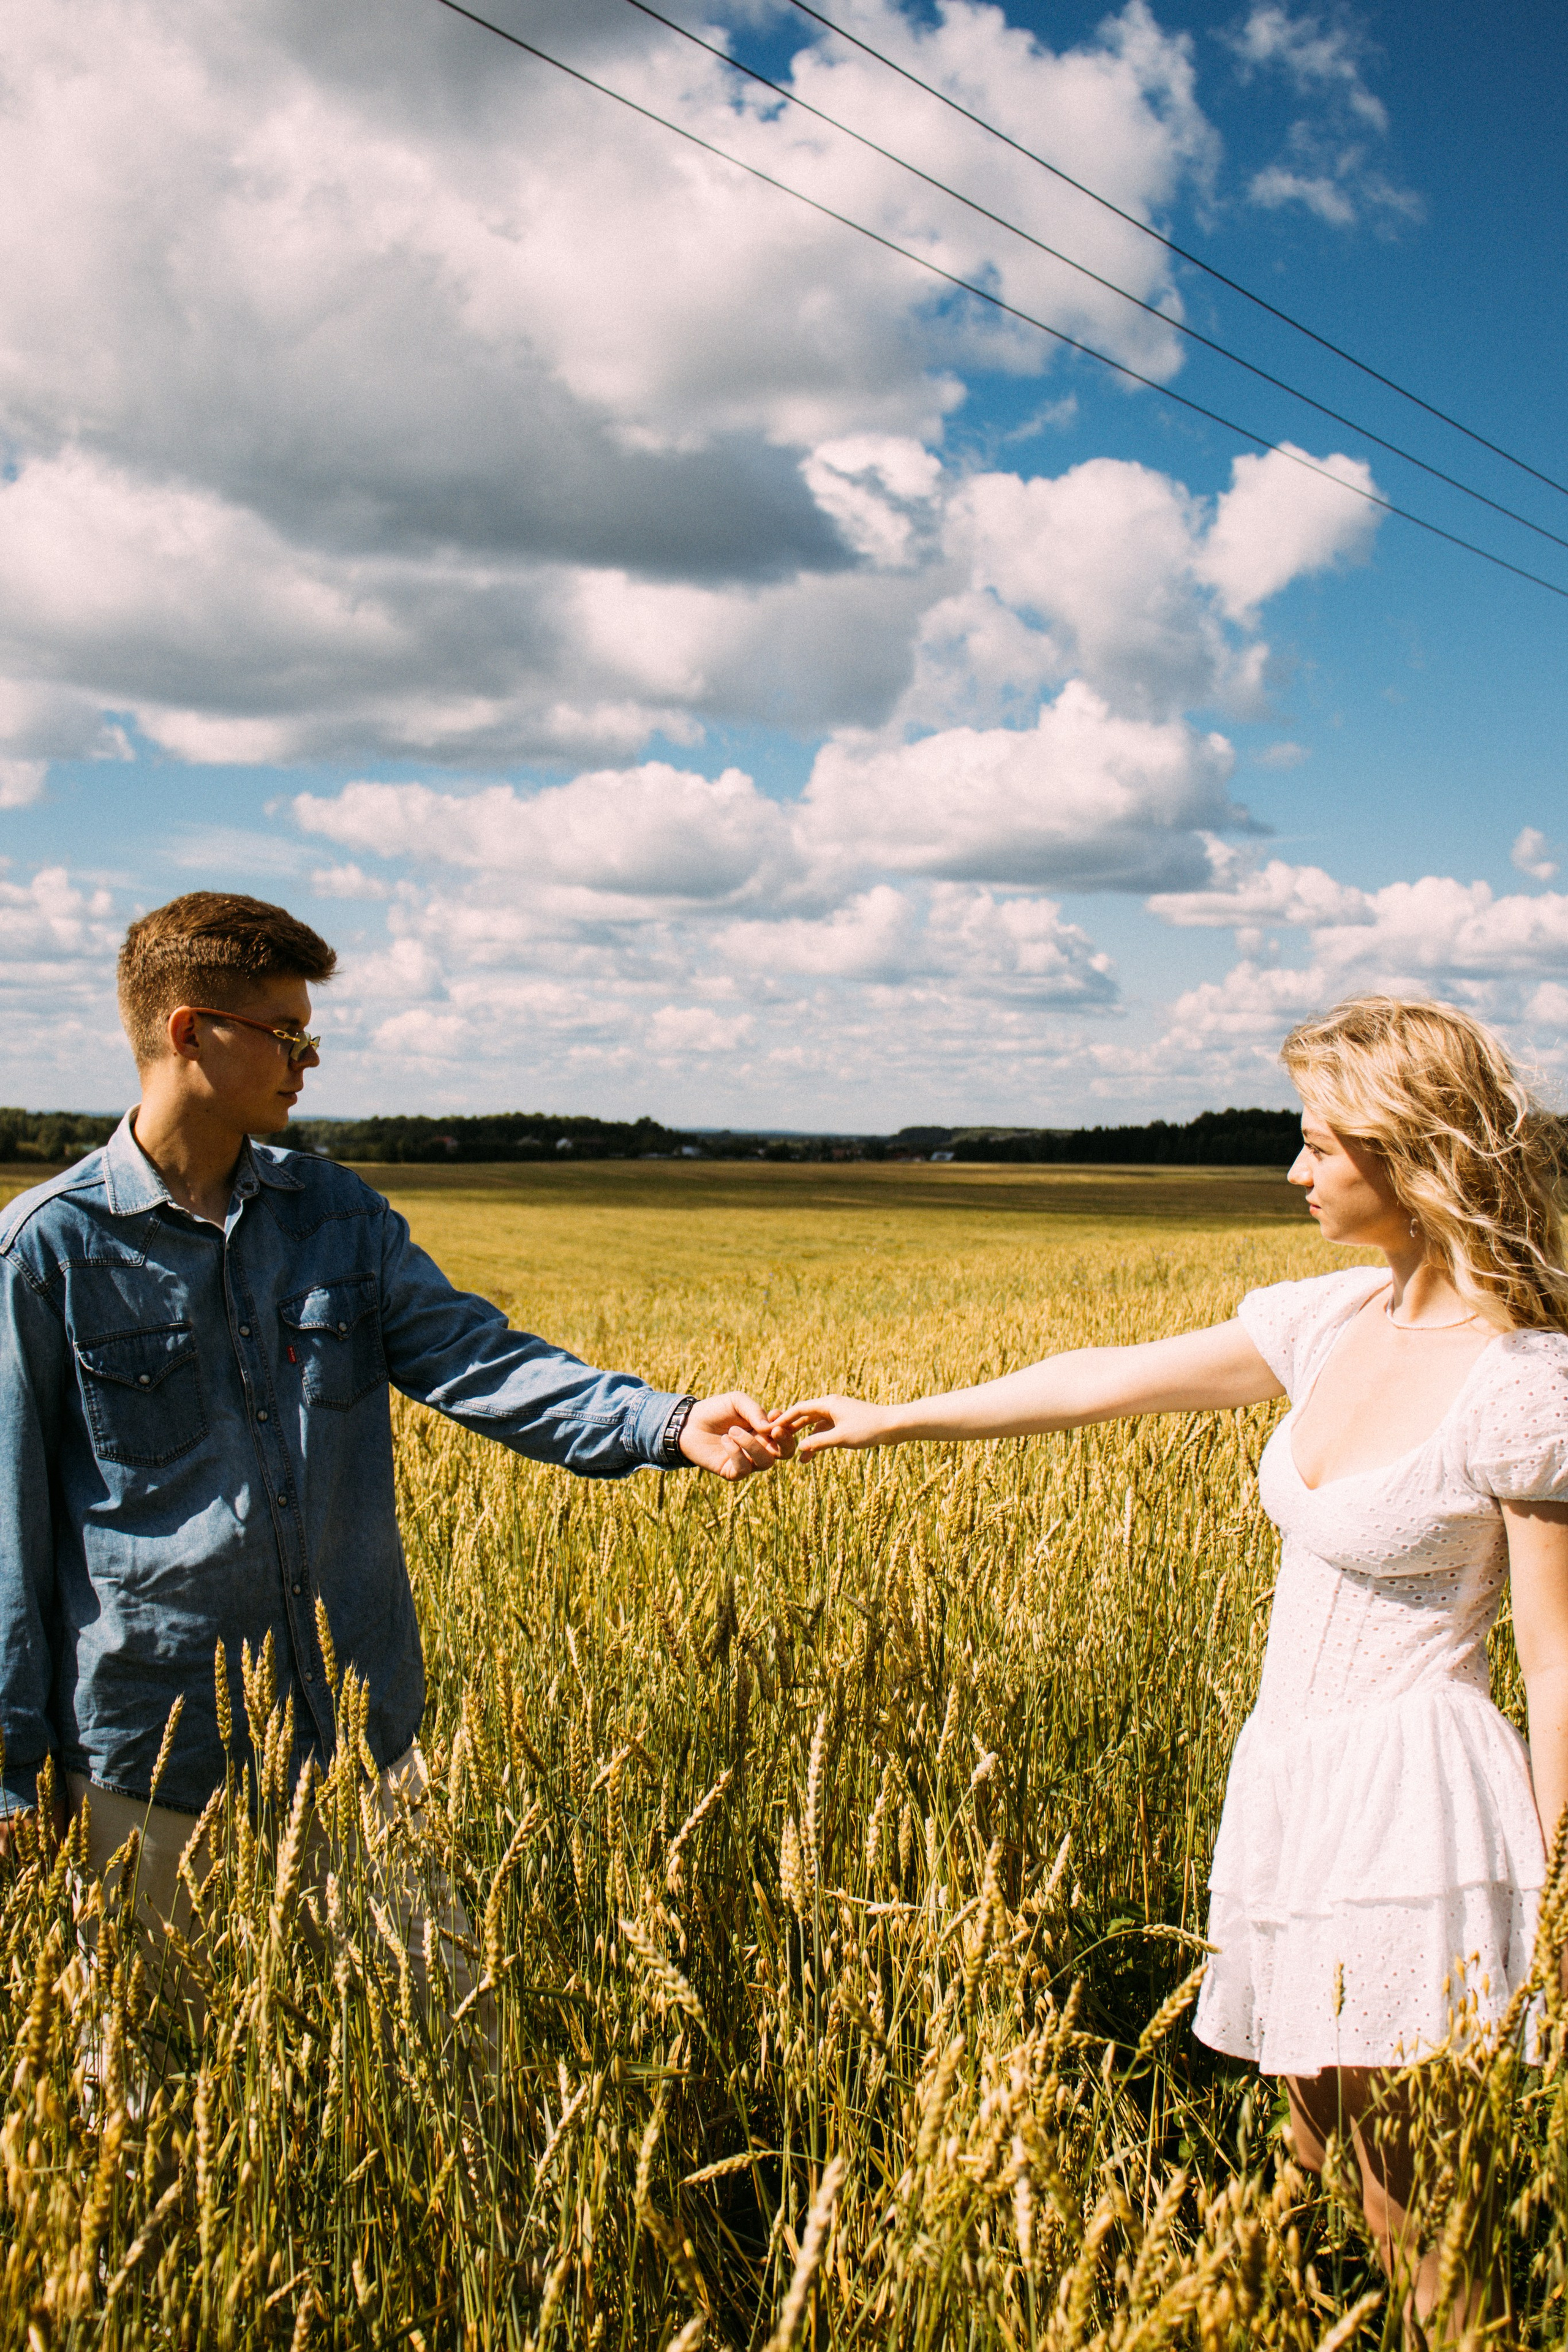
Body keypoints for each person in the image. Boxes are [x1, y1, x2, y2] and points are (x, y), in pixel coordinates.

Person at [772, 996, 1568, 2342]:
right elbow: (1102, 1379)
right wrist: (892, 1420)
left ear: (1409, 1151)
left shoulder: (1524, 1385)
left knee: (1403, 2204)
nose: (1294, 1172)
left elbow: (1554, 1660)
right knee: (1306, 2165)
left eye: (1319, 1146)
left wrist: (1552, 1890)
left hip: (1410, 1800)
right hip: (1289, 1775)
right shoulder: (1331, 1321)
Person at [0, 892, 785, 1933]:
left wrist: (666, 1423)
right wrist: (10, 1781)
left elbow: (478, 1357)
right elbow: (9, 1539)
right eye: (285, 1034)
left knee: (446, 2055)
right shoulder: (47, 1254)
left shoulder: (339, 1217)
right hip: (151, 1770)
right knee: (146, 2086)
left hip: (358, 1750)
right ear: (189, 1032)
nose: (306, 1061)